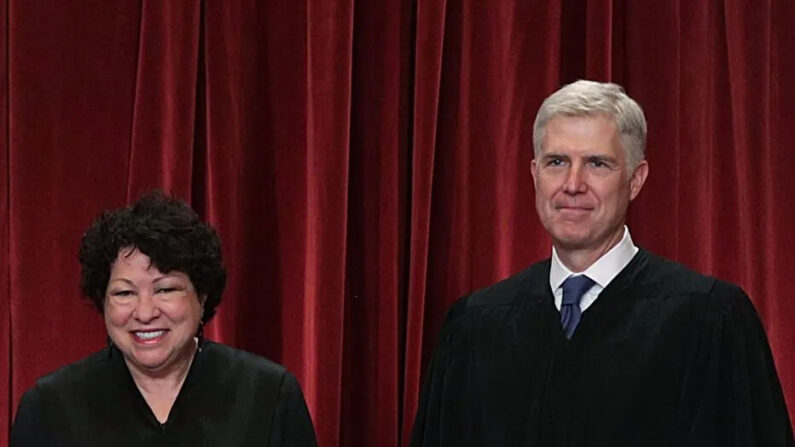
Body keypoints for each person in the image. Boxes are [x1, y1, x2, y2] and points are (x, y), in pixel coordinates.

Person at [410, 80, 794, 446]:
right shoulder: (475, 327)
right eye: (557, 161)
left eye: (597, 164)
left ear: (635, 179)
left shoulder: (709, 319)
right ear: (534, 175)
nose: (573, 184)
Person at [10, 192, 318, 446]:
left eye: (166, 289)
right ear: (101, 301)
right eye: (124, 293)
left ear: (202, 295)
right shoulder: (49, 408)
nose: (145, 313)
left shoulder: (268, 396)